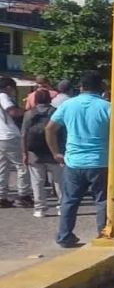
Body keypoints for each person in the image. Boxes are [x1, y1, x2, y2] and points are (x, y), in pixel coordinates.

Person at [46, 71, 110, 247]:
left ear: (81, 87)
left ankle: (64, 236)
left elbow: (50, 128)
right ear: (101, 87)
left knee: (69, 200)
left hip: (73, 162)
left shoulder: (68, 105)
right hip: (100, 161)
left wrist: (55, 153)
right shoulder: (108, 107)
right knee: (102, 201)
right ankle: (104, 234)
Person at [21, 89, 63, 217]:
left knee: (37, 181)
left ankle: (40, 208)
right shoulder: (55, 112)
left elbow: (23, 134)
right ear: (50, 99)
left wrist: (24, 153)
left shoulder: (29, 114)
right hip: (54, 151)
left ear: (36, 100)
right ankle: (62, 206)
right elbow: (62, 132)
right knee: (59, 181)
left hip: (35, 153)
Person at [0, 76, 31, 208]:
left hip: (1, 136)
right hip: (10, 135)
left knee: (3, 167)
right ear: (8, 88)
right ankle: (23, 195)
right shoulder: (3, 96)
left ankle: (1, 197)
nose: (14, 91)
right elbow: (13, 112)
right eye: (14, 89)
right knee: (22, 165)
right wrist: (27, 111)